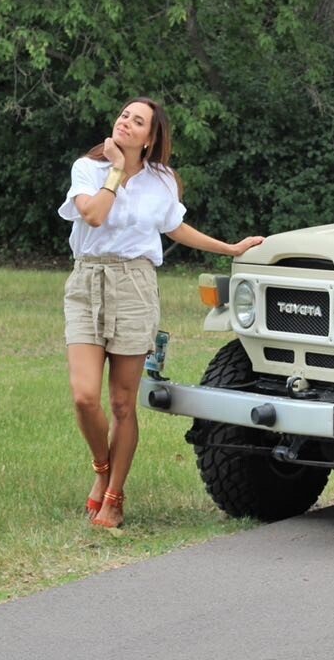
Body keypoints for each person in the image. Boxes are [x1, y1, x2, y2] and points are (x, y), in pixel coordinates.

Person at [58, 97, 265, 529]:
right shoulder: (88, 169)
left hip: (135, 285)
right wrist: (115, 170)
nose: (126, 124)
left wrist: (229, 249)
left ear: (151, 137)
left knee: (121, 403)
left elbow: (174, 226)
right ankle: (101, 471)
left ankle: (114, 494)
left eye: (138, 122)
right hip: (87, 282)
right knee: (83, 396)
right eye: (123, 116)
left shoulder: (163, 180)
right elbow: (93, 216)